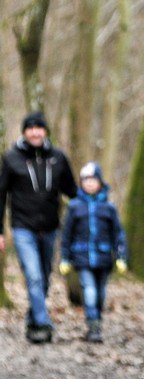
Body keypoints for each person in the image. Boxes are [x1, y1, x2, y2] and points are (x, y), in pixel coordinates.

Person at [0, 111, 78, 343]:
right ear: (24, 131)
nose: (35, 132)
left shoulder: (58, 157)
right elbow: (0, 195)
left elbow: (71, 190)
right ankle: (44, 323)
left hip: (50, 228)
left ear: (46, 131)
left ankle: (34, 320)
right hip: (23, 228)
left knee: (44, 279)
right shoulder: (11, 158)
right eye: (30, 128)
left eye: (39, 128)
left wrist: (96, 200)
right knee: (33, 277)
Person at [59, 162, 128, 343]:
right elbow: (67, 234)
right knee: (88, 290)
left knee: (100, 293)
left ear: (100, 182)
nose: (89, 183)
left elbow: (118, 233)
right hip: (81, 258)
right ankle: (93, 325)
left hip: (104, 258)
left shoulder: (109, 208)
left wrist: (121, 256)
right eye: (85, 180)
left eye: (93, 179)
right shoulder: (74, 207)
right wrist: (65, 257)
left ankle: (97, 318)